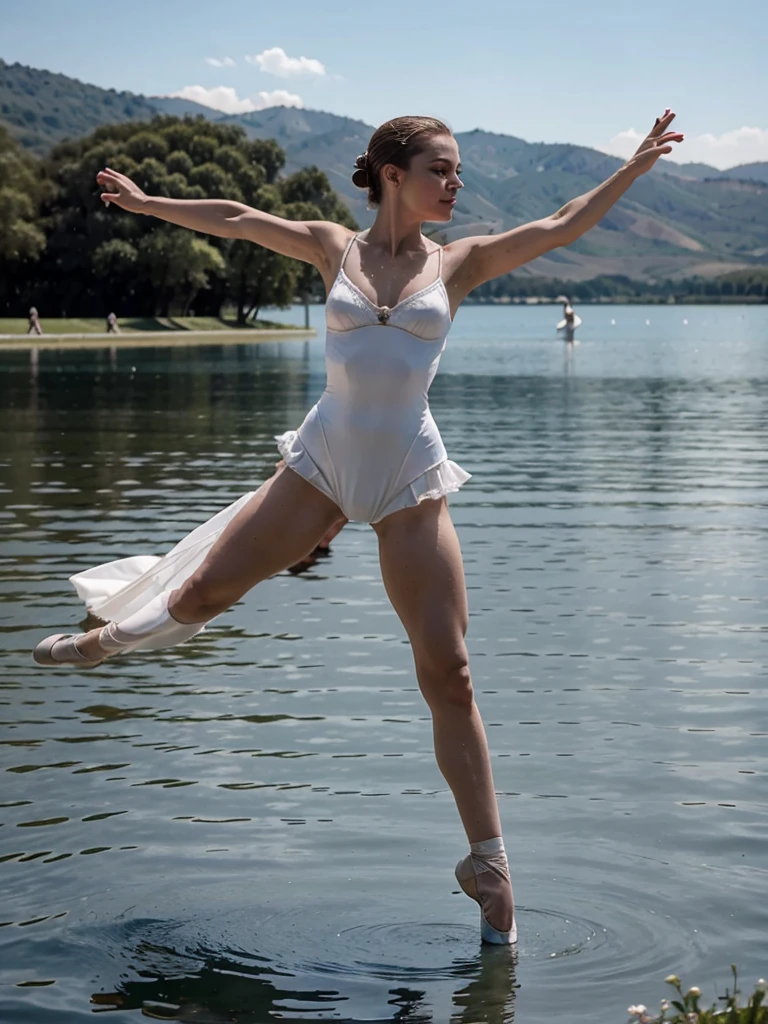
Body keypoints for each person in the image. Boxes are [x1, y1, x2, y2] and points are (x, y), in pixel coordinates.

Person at [32, 109, 684, 945]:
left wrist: (630, 168)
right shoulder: (331, 245)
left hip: (410, 474)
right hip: (324, 463)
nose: (455, 184)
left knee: (450, 671)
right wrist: (148, 202)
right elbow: (237, 219)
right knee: (202, 594)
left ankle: (488, 862)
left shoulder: (460, 262)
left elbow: (558, 226)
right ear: (389, 173)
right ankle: (107, 639)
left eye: (457, 172)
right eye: (440, 169)